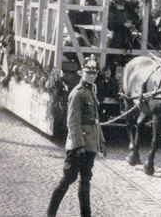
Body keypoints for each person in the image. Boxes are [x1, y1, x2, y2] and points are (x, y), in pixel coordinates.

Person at [47, 55, 106, 217]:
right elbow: (72, 123)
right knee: (67, 180)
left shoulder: (91, 91)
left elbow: (95, 120)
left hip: (90, 145)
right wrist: (79, 146)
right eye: (89, 73)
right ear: (82, 73)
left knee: (86, 181)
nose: (92, 76)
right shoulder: (77, 93)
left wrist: (101, 142)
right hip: (78, 147)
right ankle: (50, 213)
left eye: (94, 73)